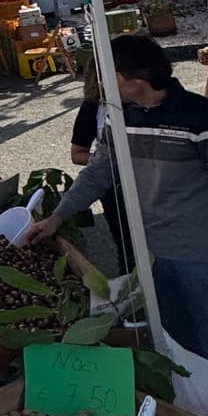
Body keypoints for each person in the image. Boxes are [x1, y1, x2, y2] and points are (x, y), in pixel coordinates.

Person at [27, 34, 208, 390]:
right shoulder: (122, 117)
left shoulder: (207, 121)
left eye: (108, 75)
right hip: (152, 255)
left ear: (132, 80)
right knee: (173, 349)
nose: (101, 85)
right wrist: (57, 217)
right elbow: (98, 171)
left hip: (207, 259)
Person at [69, 71, 132, 272]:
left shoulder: (152, 100)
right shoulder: (93, 105)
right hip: (116, 189)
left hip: (156, 188)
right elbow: (78, 154)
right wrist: (113, 162)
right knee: (129, 249)